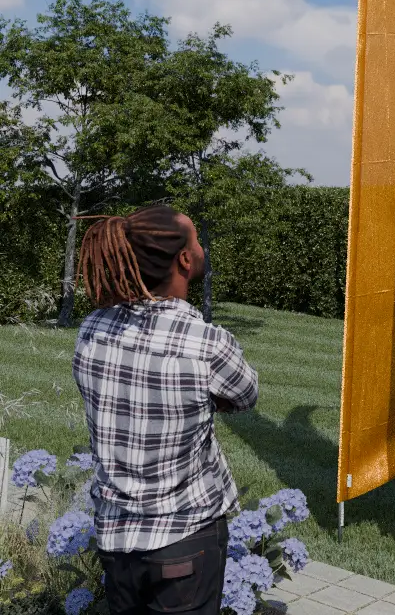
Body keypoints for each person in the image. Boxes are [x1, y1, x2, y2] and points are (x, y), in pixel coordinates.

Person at [72, 204, 258, 615]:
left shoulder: (93, 328)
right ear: (185, 260)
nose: (201, 246)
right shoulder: (207, 344)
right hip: (186, 539)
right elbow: (246, 396)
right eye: (196, 240)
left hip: (116, 541)